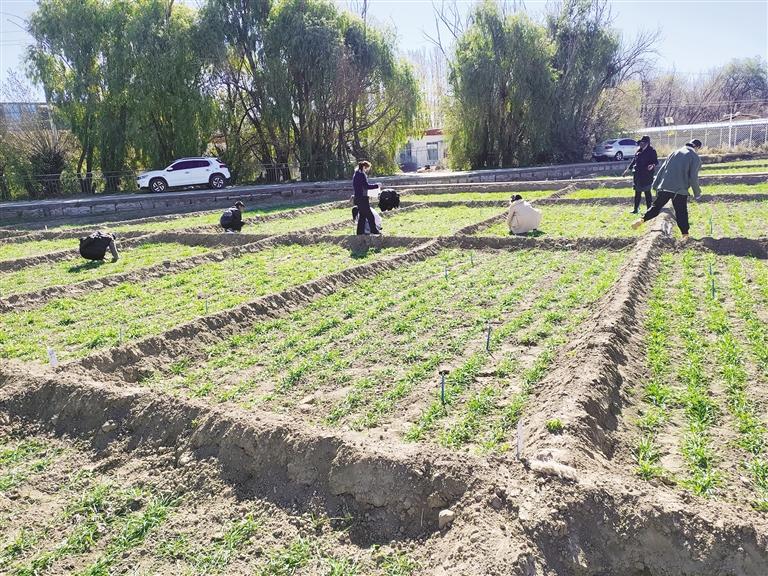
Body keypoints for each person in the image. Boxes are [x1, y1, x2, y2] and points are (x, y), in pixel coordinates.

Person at [632, 139, 703, 241]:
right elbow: (693, 177)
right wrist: (697, 193)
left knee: (656, 207)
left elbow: (662, 170)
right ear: (697, 147)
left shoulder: (673, 153)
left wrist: (655, 185)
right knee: (681, 212)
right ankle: (685, 235)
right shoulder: (694, 157)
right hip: (679, 190)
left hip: (664, 187)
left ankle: (641, 220)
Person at [623, 135, 658, 214]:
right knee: (637, 193)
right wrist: (627, 170)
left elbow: (656, 161)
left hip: (647, 175)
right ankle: (636, 209)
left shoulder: (652, 151)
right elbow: (633, 161)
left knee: (647, 193)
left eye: (643, 143)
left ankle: (649, 210)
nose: (641, 144)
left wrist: (652, 165)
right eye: (641, 142)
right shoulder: (639, 151)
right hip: (638, 175)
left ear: (647, 143)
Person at [353, 160, 381, 235]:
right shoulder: (362, 175)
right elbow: (366, 186)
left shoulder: (356, 174)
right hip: (363, 198)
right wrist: (377, 185)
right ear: (364, 167)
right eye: (367, 168)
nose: (367, 170)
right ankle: (374, 231)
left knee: (362, 216)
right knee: (370, 216)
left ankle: (360, 233)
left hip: (358, 198)